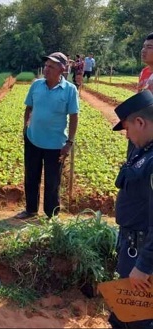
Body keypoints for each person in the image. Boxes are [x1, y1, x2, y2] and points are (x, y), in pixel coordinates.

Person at [15, 52, 79, 220]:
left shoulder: (70, 90)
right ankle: (30, 210)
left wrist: (69, 142)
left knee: (52, 181)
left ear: (62, 69)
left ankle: (51, 215)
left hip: (56, 144)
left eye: (51, 66)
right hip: (33, 139)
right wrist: (25, 128)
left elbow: (74, 117)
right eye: (46, 65)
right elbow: (28, 107)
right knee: (31, 176)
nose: (47, 69)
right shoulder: (36, 85)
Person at [108, 90, 153, 329]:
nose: (127, 135)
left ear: (140, 122)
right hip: (132, 244)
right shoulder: (143, 148)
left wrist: (144, 266)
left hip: (144, 251)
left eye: (127, 128)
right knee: (124, 314)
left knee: (138, 320)